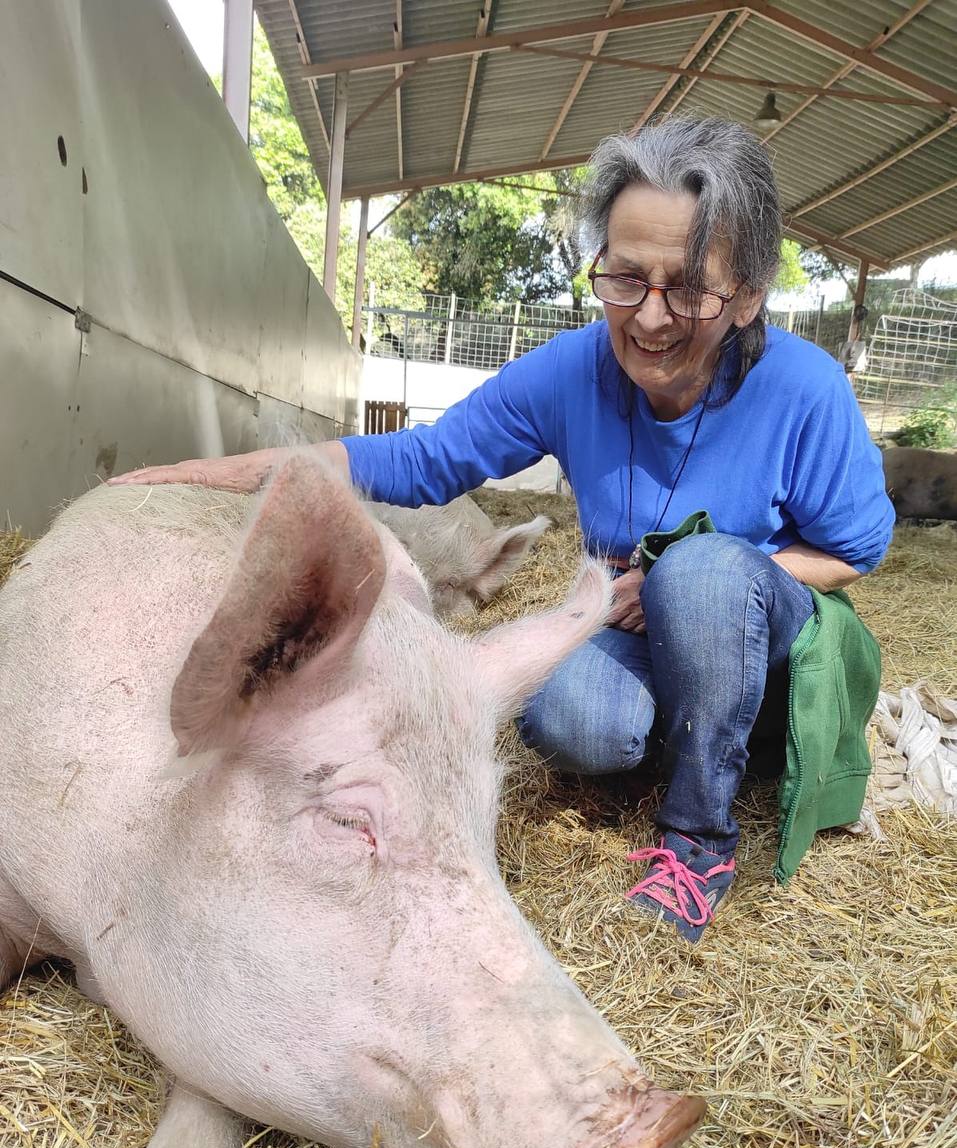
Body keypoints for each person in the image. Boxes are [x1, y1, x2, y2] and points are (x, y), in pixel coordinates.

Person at [112, 117, 894, 943]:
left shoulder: (804, 387)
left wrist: (688, 579)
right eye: (625, 277)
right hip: (642, 626)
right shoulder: (575, 368)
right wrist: (245, 472)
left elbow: (852, 551)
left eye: (690, 289)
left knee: (701, 579)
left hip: (766, 634)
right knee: (562, 717)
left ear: (746, 294)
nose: (652, 318)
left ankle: (698, 841)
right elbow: (429, 458)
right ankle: (693, 731)